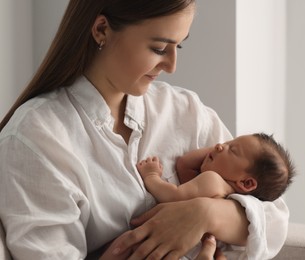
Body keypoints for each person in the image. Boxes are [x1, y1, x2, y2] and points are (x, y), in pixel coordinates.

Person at [0, 0, 289, 259]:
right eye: (159, 48)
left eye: (179, 46)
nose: (172, 65)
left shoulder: (184, 110)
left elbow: (273, 217)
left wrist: (204, 214)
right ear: (102, 29)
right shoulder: (37, 137)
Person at [137, 133, 295, 203]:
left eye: (232, 150)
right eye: (228, 142)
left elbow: (172, 196)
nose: (220, 145)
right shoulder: (220, 192)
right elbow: (184, 165)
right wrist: (219, 151)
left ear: (246, 183)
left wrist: (151, 176)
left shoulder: (212, 181)